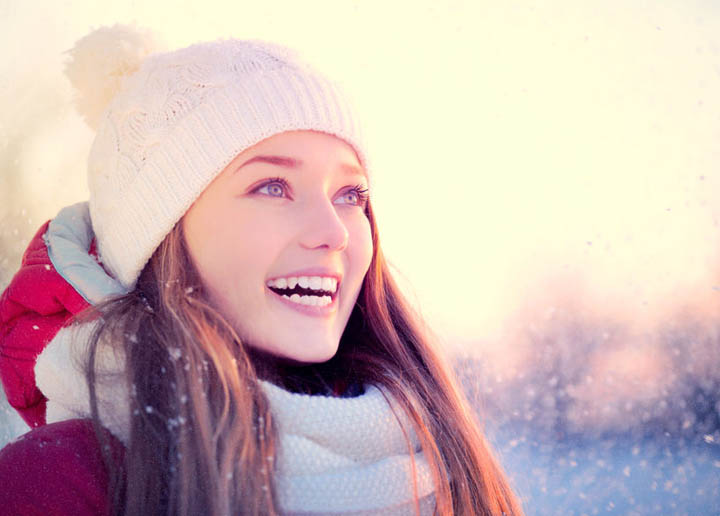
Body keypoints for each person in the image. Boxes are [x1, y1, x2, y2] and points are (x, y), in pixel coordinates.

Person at [0, 25, 524, 516]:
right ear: (159, 236)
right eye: (272, 187)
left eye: (351, 194)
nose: (335, 231)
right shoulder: (58, 482)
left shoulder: (437, 463)